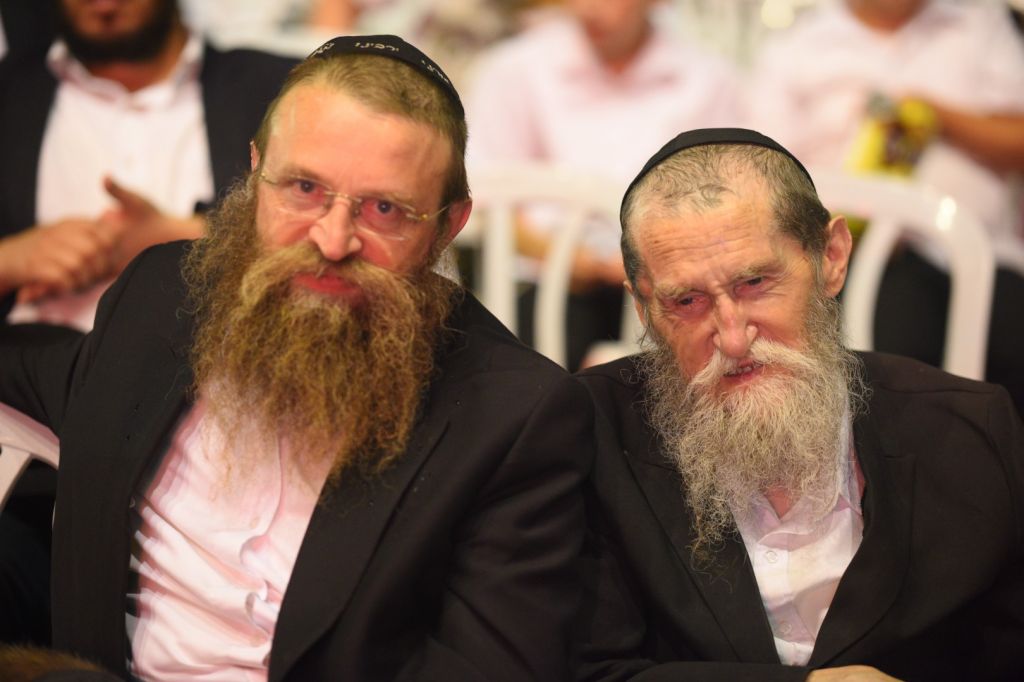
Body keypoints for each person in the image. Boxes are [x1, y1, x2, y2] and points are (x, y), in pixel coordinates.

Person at [0, 35, 592, 680]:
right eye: (304, 187)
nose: (332, 241)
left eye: (385, 209)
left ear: (448, 225)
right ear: (256, 170)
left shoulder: (513, 417)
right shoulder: (162, 296)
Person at [575, 128, 1024, 680]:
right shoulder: (589, 436)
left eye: (755, 282)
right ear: (643, 310)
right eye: (686, 301)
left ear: (830, 257)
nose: (733, 339)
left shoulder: (970, 433)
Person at [747, 0, 1024, 415]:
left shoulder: (982, 24)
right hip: (853, 260)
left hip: (986, 257)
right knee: (892, 373)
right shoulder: (797, 45)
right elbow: (763, 176)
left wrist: (934, 116)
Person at [466, 0, 742, 369]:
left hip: (668, 281)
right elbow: (486, 200)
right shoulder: (514, 70)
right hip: (547, 279)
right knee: (523, 364)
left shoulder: (707, 80)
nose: (590, 8)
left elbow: (725, 200)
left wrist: (651, 262)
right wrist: (568, 258)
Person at [0, 0, 296, 331]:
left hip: (220, 353)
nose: (105, 5)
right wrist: (12, 260)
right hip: (28, 354)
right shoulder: (10, 93)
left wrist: (183, 240)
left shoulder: (281, 89)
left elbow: (321, 238)